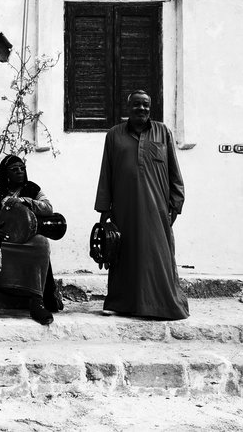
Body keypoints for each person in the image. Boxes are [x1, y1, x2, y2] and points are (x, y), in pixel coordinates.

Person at [94, 90, 188, 320]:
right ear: (129, 108)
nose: (142, 109)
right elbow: (106, 171)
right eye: (137, 105)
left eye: (146, 105)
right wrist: (105, 208)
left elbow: (174, 171)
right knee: (122, 254)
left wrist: (175, 204)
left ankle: (161, 305)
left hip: (157, 209)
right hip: (124, 209)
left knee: (158, 255)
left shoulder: (162, 132)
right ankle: (119, 303)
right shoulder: (114, 135)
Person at [0, 154, 62, 325]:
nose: (20, 171)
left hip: (26, 240)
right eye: (14, 169)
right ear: (5, 173)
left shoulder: (33, 189)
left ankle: (37, 300)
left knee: (41, 243)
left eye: (22, 168)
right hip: (3, 240)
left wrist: (25, 201)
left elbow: (48, 208)